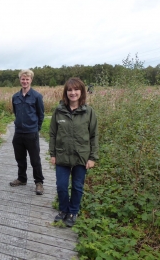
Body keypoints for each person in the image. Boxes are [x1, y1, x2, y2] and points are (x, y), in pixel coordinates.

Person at [49, 77, 99, 227]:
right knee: (62, 186)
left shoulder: (89, 112)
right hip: (62, 155)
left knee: (77, 186)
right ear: (66, 92)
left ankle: (73, 211)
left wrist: (92, 157)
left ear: (82, 92)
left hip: (81, 156)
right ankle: (64, 210)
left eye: (76, 89)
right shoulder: (58, 111)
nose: (73, 93)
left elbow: (94, 135)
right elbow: (52, 133)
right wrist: (53, 154)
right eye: (70, 90)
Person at [10, 69, 45, 195]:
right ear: (20, 80)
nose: (25, 81)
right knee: (20, 158)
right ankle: (22, 178)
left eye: (27, 79)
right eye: (23, 79)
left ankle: (39, 182)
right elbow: (16, 112)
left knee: (35, 159)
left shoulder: (37, 96)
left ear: (31, 80)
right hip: (18, 133)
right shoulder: (15, 97)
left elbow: (41, 115)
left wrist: (36, 129)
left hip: (31, 133)